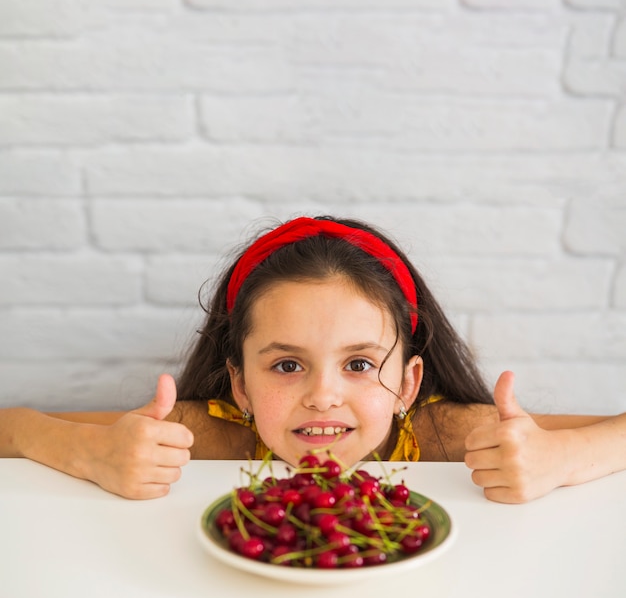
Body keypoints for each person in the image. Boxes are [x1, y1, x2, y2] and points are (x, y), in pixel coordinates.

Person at [1, 215, 625, 503]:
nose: (323, 396)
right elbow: (9, 431)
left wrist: (562, 456)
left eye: (358, 365)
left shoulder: (449, 434)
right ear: (239, 385)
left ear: (409, 383)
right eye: (287, 365)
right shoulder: (206, 434)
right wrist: (89, 451)